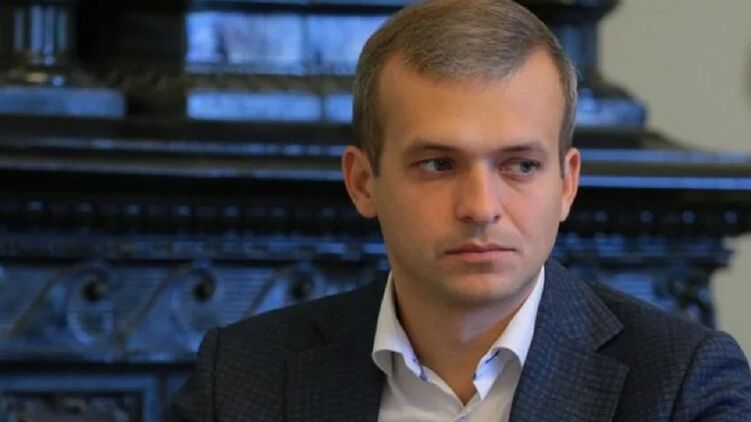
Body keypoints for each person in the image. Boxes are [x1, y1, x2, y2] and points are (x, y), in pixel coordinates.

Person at [171, 0, 751, 420]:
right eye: (438, 164)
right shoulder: (243, 376)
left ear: (567, 183)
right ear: (363, 182)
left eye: (520, 165)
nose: (480, 207)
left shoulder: (680, 384)